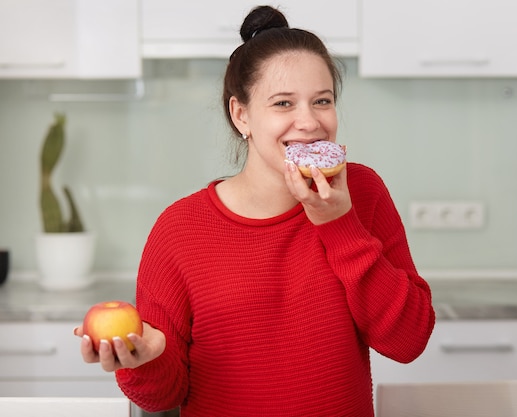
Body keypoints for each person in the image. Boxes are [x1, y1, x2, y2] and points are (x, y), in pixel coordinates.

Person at [76, 5, 435, 416]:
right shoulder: (179, 230)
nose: (309, 122)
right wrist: (146, 358)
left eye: (322, 100)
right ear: (241, 114)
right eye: (283, 104)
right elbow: (164, 396)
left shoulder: (361, 192)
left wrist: (339, 225)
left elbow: (409, 341)